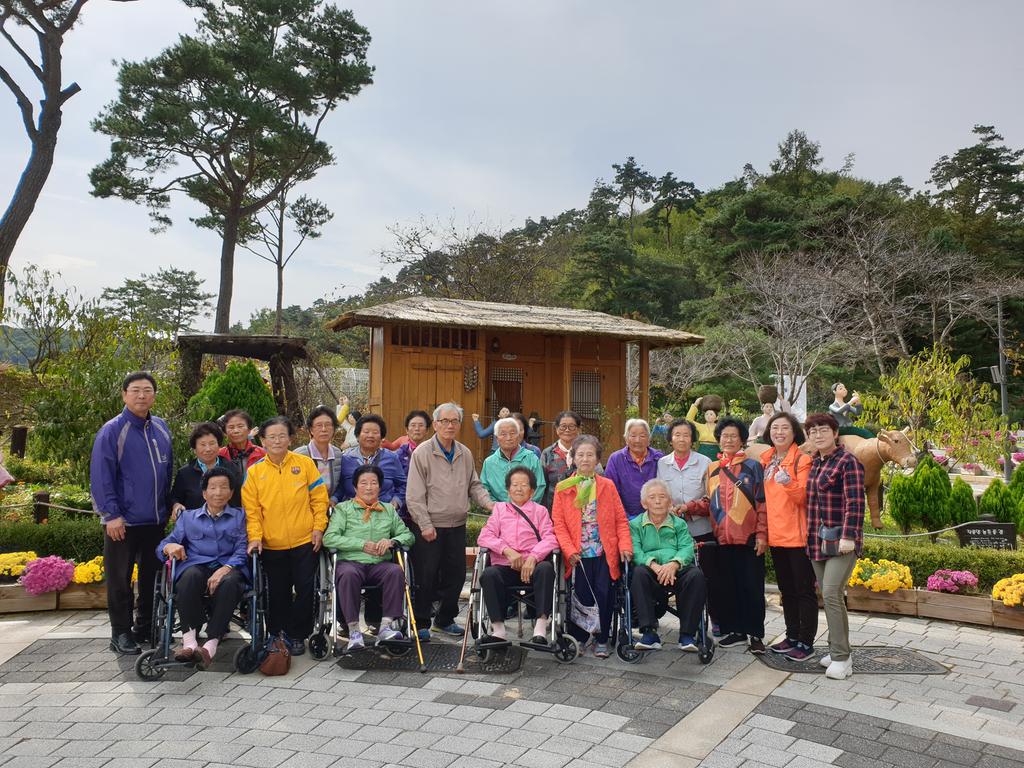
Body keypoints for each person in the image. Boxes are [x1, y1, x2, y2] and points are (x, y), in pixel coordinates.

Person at [90, 371, 174, 656]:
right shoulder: (113, 430)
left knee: (152, 578)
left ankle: (146, 628)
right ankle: (121, 633)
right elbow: (102, 476)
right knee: (120, 579)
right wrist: (111, 515)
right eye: (136, 390)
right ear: (124, 394)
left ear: (154, 395)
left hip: (155, 521)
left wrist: (167, 507)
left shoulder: (161, 428)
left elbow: (167, 472)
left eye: (147, 390)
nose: (142, 396)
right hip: (122, 522)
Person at [406, 403, 494, 639]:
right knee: (427, 576)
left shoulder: (464, 452)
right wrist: (424, 524)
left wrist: (489, 504)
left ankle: (444, 620)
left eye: (454, 421)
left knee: (455, 576)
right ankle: (422, 622)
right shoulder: (422, 453)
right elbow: (414, 495)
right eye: (444, 421)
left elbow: (474, 485)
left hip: (457, 525)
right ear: (435, 424)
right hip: (429, 527)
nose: (450, 425)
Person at [243, 416, 329, 656]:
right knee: (277, 592)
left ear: (291, 438)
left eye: (283, 435)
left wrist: (318, 528)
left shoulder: (304, 464)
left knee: (306, 589)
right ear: (263, 441)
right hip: (272, 544)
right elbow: (252, 511)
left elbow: (319, 499)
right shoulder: (255, 472)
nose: (278, 440)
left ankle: (299, 634)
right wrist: (255, 537)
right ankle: (277, 633)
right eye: (272, 436)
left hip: (305, 540)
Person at [157, 467, 248, 668]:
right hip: (196, 565)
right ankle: (189, 643)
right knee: (188, 577)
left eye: (224, 487)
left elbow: (243, 549)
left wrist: (225, 568)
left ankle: (210, 645)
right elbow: (164, 545)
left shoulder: (240, 517)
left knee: (231, 582)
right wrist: (169, 547)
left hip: (229, 567)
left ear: (232, 493)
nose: (218, 492)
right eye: (213, 487)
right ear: (204, 493)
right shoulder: (187, 518)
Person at [551, 435, 632, 659]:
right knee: (582, 595)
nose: (585, 459)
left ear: (597, 459)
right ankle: (580, 636)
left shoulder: (607, 486)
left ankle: (602, 638)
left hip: (604, 551)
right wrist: (568, 549)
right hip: (577, 553)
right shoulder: (563, 488)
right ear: (573, 458)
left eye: (590, 455)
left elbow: (620, 521)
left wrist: (625, 546)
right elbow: (558, 524)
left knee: (604, 594)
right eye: (580, 455)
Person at [323, 464, 415, 650]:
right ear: (355, 487)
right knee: (348, 574)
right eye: (363, 483)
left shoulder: (388, 509)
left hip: (378, 564)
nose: (369, 487)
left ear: (380, 487)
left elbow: (408, 536)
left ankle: (386, 627)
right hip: (350, 562)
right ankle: (354, 631)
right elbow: (329, 538)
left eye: (374, 483)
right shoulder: (343, 509)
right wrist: (361, 544)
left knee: (396, 571)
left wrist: (391, 542)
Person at [804, 411, 866, 680]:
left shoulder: (848, 461)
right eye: (813, 431)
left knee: (831, 593)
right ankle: (837, 649)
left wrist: (849, 537)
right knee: (829, 596)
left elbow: (855, 502)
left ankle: (842, 657)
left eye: (823, 430)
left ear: (835, 433)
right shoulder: (815, 462)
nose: (818, 435)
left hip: (841, 540)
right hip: (817, 539)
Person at [706, 417, 768, 654]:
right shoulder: (712, 469)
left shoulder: (753, 467)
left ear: (742, 439)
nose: (728, 439)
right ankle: (736, 631)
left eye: (733, 436)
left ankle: (755, 634)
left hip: (749, 537)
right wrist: (686, 508)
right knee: (728, 586)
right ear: (718, 440)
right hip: (721, 538)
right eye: (724, 436)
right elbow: (709, 502)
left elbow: (762, 502)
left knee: (751, 586)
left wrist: (762, 534)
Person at [477, 466, 558, 645]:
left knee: (546, 568)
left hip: (533, 568)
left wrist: (533, 557)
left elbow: (551, 538)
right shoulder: (499, 510)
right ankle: (498, 630)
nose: (519, 488)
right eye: (514, 485)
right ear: (508, 489)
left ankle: (540, 628)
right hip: (506, 567)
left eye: (524, 485)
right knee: (489, 574)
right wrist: (507, 550)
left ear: (532, 490)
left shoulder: (540, 511)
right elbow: (484, 536)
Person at [759, 412, 817, 660]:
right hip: (775, 536)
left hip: (797, 536)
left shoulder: (802, 460)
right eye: (775, 428)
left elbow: (803, 497)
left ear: (794, 432)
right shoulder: (766, 460)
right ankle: (792, 635)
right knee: (787, 590)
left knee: (804, 591)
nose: (779, 432)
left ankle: (805, 642)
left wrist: (788, 482)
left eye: (784, 428)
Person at [629, 478, 707, 652]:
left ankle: (687, 635)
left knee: (696, 575)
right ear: (644, 503)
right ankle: (649, 634)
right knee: (639, 573)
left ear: (670, 502)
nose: (657, 501)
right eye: (652, 497)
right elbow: (636, 551)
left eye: (662, 496)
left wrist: (674, 564)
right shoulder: (635, 525)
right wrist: (656, 566)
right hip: (650, 571)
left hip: (676, 570)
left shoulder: (679, 523)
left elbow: (687, 547)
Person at [656, 418, 718, 632]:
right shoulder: (662, 463)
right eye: (677, 435)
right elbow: (658, 493)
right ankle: (686, 622)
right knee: (681, 577)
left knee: (704, 576)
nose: (681, 439)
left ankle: (711, 618)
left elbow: (711, 497)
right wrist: (668, 508)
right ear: (670, 439)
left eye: (686, 435)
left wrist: (688, 508)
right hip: (671, 532)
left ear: (693, 439)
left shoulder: (704, 462)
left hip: (700, 529)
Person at [171, 422, 242, 519]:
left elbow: (240, 500)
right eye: (202, 444)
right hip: (195, 527)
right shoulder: (185, 473)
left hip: (228, 526)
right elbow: (175, 498)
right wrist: (176, 505)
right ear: (194, 448)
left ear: (219, 445)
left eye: (212, 443)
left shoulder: (232, 469)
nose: (208, 449)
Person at [338, 415, 407, 513]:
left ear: (382, 437)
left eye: (375, 432)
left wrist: (396, 502)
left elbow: (403, 485)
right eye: (366, 432)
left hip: (383, 513)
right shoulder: (345, 458)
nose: (370, 435)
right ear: (357, 435)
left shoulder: (391, 458)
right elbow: (339, 487)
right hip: (352, 514)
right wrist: (334, 499)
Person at [540, 410, 604, 511]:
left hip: (586, 509)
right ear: (556, 429)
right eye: (563, 426)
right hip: (555, 509)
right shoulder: (547, 453)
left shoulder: (587, 452)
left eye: (572, 426)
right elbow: (542, 484)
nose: (567, 430)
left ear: (578, 429)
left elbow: (599, 474)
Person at [603, 419, 664, 520]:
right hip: (625, 518)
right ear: (626, 438)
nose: (637, 440)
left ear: (649, 439)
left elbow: (664, 488)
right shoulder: (616, 459)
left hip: (655, 517)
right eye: (633, 435)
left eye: (642, 436)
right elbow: (611, 492)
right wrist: (625, 517)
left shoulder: (658, 458)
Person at [480, 417, 547, 503]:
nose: (508, 438)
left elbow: (539, 486)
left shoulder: (531, 458)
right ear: (496, 438)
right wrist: (500, 508)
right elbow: (485, 490)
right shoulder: (489, 462)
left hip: (528, 513)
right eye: (503, 434)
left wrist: (525, 508)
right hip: (500, 513)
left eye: (512, 433)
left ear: (518, 436)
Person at [295, 405, 344, 506]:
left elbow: (341, 483)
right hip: (305, 509)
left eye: (328, 425)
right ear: (311, 430)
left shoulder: (338, 454)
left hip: (331, 507)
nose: (324, 429)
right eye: (318, 425)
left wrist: (334, 499)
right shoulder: (299, 455)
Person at [218, 409, 266, 480]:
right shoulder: (220, 455)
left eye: (240, 426)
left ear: (249, 430)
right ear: (225, 433)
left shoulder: (262, 454)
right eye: (231, 427)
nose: (236, 431)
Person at [392, 410, 431, 475]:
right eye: (413, 425)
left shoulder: (433, 452)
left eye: (421, 425)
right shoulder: (399, 455)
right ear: (407, 430)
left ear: (427, 430)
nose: (417, 429)